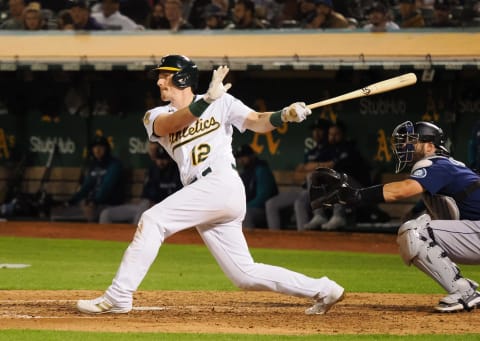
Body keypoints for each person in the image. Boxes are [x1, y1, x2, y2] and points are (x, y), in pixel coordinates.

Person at [76, 54, 344, 316]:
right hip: (205, 190)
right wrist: (205, 101)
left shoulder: (222, 102)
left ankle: (118, 295)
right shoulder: (155, 114)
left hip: (221, 182)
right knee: (244, 275)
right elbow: (172, 124)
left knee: (153, 219)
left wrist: (284, 115)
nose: (159, 82)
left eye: (165, 76)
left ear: (182, 78)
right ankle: (324, 289)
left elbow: (256, 121)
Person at [309, 120, 480, 313]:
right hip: (475, 231)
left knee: (413, 232)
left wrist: (357, 195)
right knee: (423, 224)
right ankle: (463, 287)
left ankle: (464, 292)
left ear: (430, 146)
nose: (406, 145)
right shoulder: (449, 166)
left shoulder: (436, 163)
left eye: (412, 141)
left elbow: (403, 190)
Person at [265, 118, 332, 230]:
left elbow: (329, 167)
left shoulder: (331, 149)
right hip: (305, 189)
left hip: (323, 191)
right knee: (271, 204)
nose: (316, 132)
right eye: (314, 130)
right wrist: (313, 168)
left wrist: (307, 168)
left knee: (299, 202)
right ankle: (275, 240)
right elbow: (296, 176)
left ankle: (304, 238)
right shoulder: (311, 152)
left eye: (320, 130)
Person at [304, 120, 373, 230]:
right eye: (331, 134)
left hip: (358, 188)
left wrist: (323, 165)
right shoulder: (329, 150)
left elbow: (332, 165)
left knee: (337, 176)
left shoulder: (349, 149)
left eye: (336, 134)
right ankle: (319, 215)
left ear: (343, 135)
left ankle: (338, 216)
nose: (333, 137)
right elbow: (308, 166)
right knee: (312, 176)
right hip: (339, 190)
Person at [99, 142, 182, 224]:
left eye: (164, 159)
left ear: (170, 159)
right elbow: (147, 194)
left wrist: (158, 205)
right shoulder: (153, 170)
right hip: (146, 207)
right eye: (158, 159)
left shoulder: (178, 172)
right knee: (106, 214)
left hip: (168, 209)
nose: (161, 162)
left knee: (143, 212)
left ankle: (137, 236)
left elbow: (178, 197)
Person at [50, 135, 124, 222]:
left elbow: (106, 187)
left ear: (106, 149)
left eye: (101, 147)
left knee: (92, 212)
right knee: (57, 212)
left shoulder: (114, 165)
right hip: (93, 204)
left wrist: (94, 201)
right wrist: (69, 202)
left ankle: (92, 234)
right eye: (95, 147)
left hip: (109, 205)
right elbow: (86, 187)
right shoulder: (93, 165)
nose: (97, 150)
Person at [234, 144, 278, 229]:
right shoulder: (245, 173)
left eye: (244, 156)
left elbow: (263, 197)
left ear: (251, 156)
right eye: (239, 157)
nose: (241, 160)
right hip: (250, 208)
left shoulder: (261, 170)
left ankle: (250, 241)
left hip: (264, 210)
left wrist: (244, 208)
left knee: (246, 215)